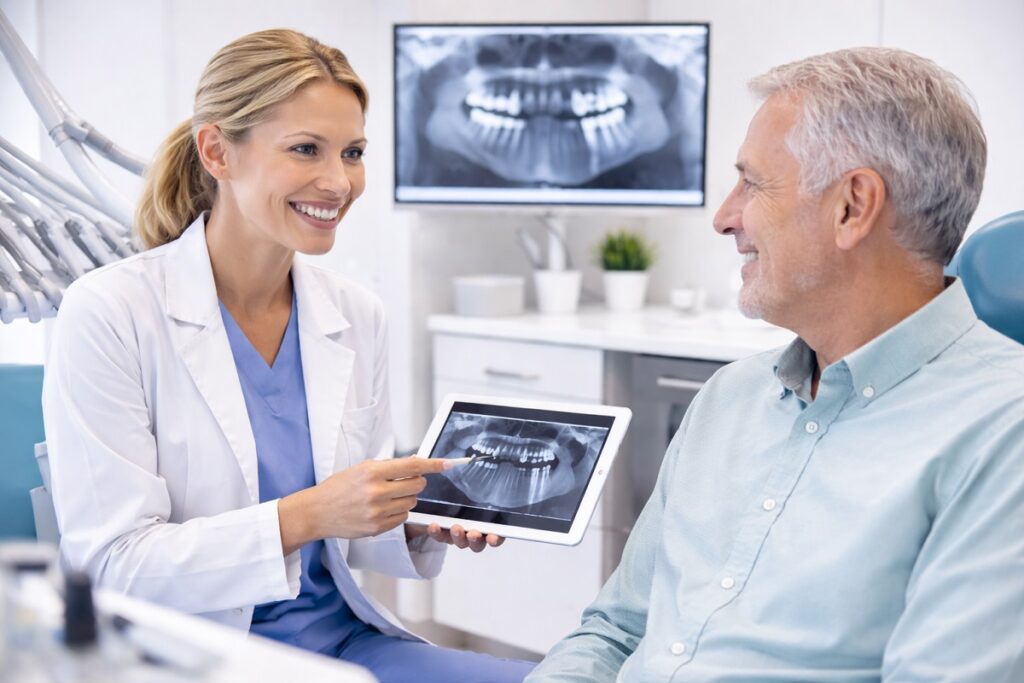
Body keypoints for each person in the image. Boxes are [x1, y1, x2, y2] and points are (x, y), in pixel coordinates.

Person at [41, 29, 534, 683]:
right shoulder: (109, 312)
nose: (338, 182)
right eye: (306, 149)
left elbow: (343, 533)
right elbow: (113, 566)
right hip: (195, 659)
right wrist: (312, 511)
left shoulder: (356, 314)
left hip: (346, 643)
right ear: (217, 150)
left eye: (352, 152)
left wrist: (413, 523)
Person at [526, 47, 1024, 682]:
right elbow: (617, 630)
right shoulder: (730, 396)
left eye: (753, 183)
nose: (724, 217)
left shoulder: (1003, 435)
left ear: (852, 206)